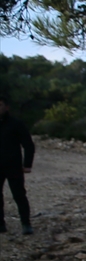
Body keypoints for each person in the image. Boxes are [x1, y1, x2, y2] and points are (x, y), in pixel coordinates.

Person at [0, 99, 35, 234]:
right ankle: (1, 224)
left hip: (13, 165)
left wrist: (27, 164)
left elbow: (28, 144)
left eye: (0, 105)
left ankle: (26, 223)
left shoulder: (16, 124)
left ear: (6, 107)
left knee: (19, 195)